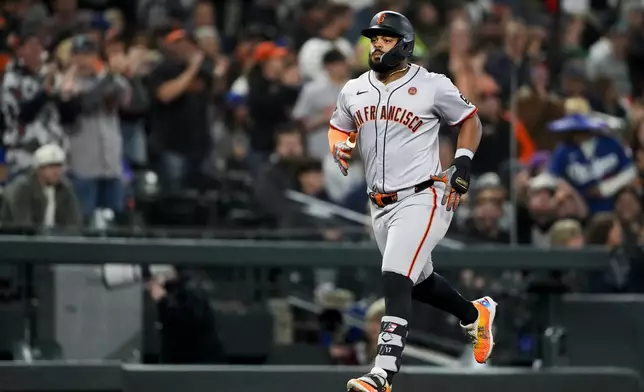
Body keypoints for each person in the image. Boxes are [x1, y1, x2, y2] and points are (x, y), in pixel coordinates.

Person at [328, 12, 497, 392]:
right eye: (374, 38)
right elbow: (339, 124)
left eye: (385, 39)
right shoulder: (354, 88)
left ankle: (383, 372)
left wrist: (463, 161)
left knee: (394, 277)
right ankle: (475, 313)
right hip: (380, 204)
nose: (377, 44)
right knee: (417, 283)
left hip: (425, 195)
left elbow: (470, 119)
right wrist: (338, 144)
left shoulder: (432, 84)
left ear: (404, 44)